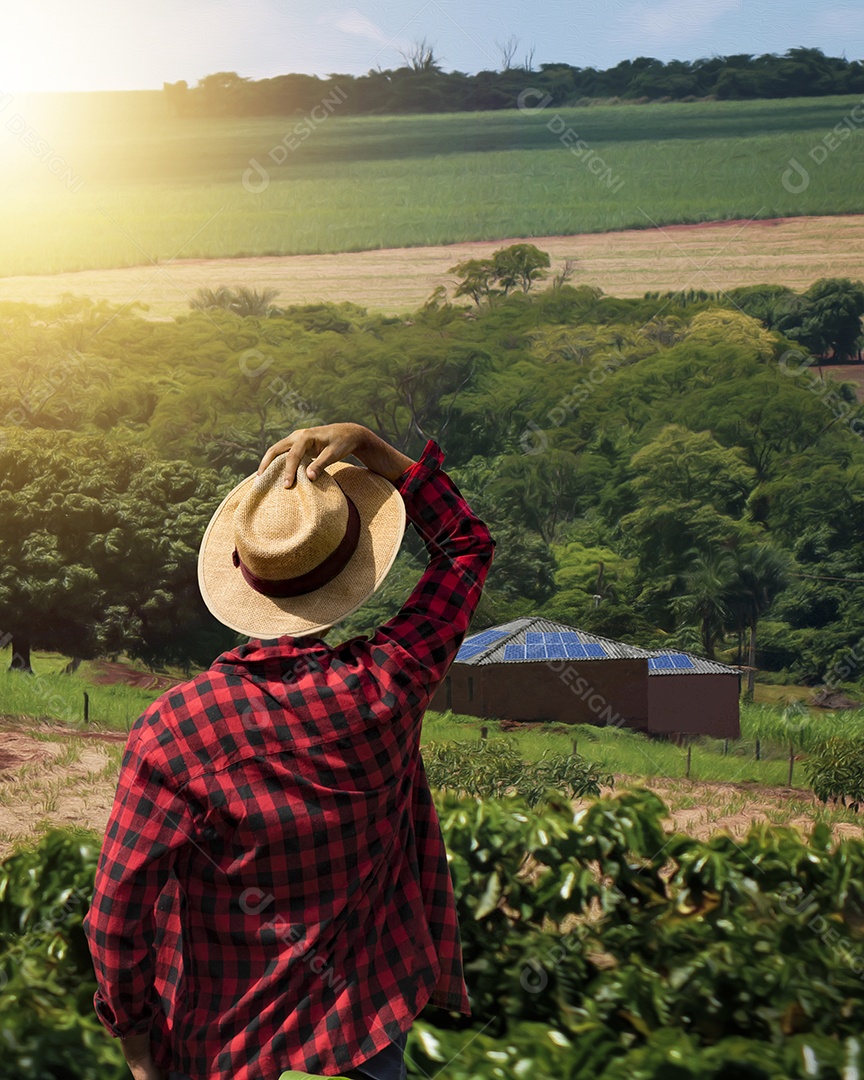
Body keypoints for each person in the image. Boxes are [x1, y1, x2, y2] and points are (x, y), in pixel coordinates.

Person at [83, 422, 495, 1080]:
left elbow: (114, 915)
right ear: (351, 574)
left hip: (222, 1050)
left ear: (244, 579)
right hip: (360, 1039)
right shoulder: (389, 685)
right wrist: (371, 447)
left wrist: (135, 1045)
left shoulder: (173, 731)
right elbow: (465, 550)